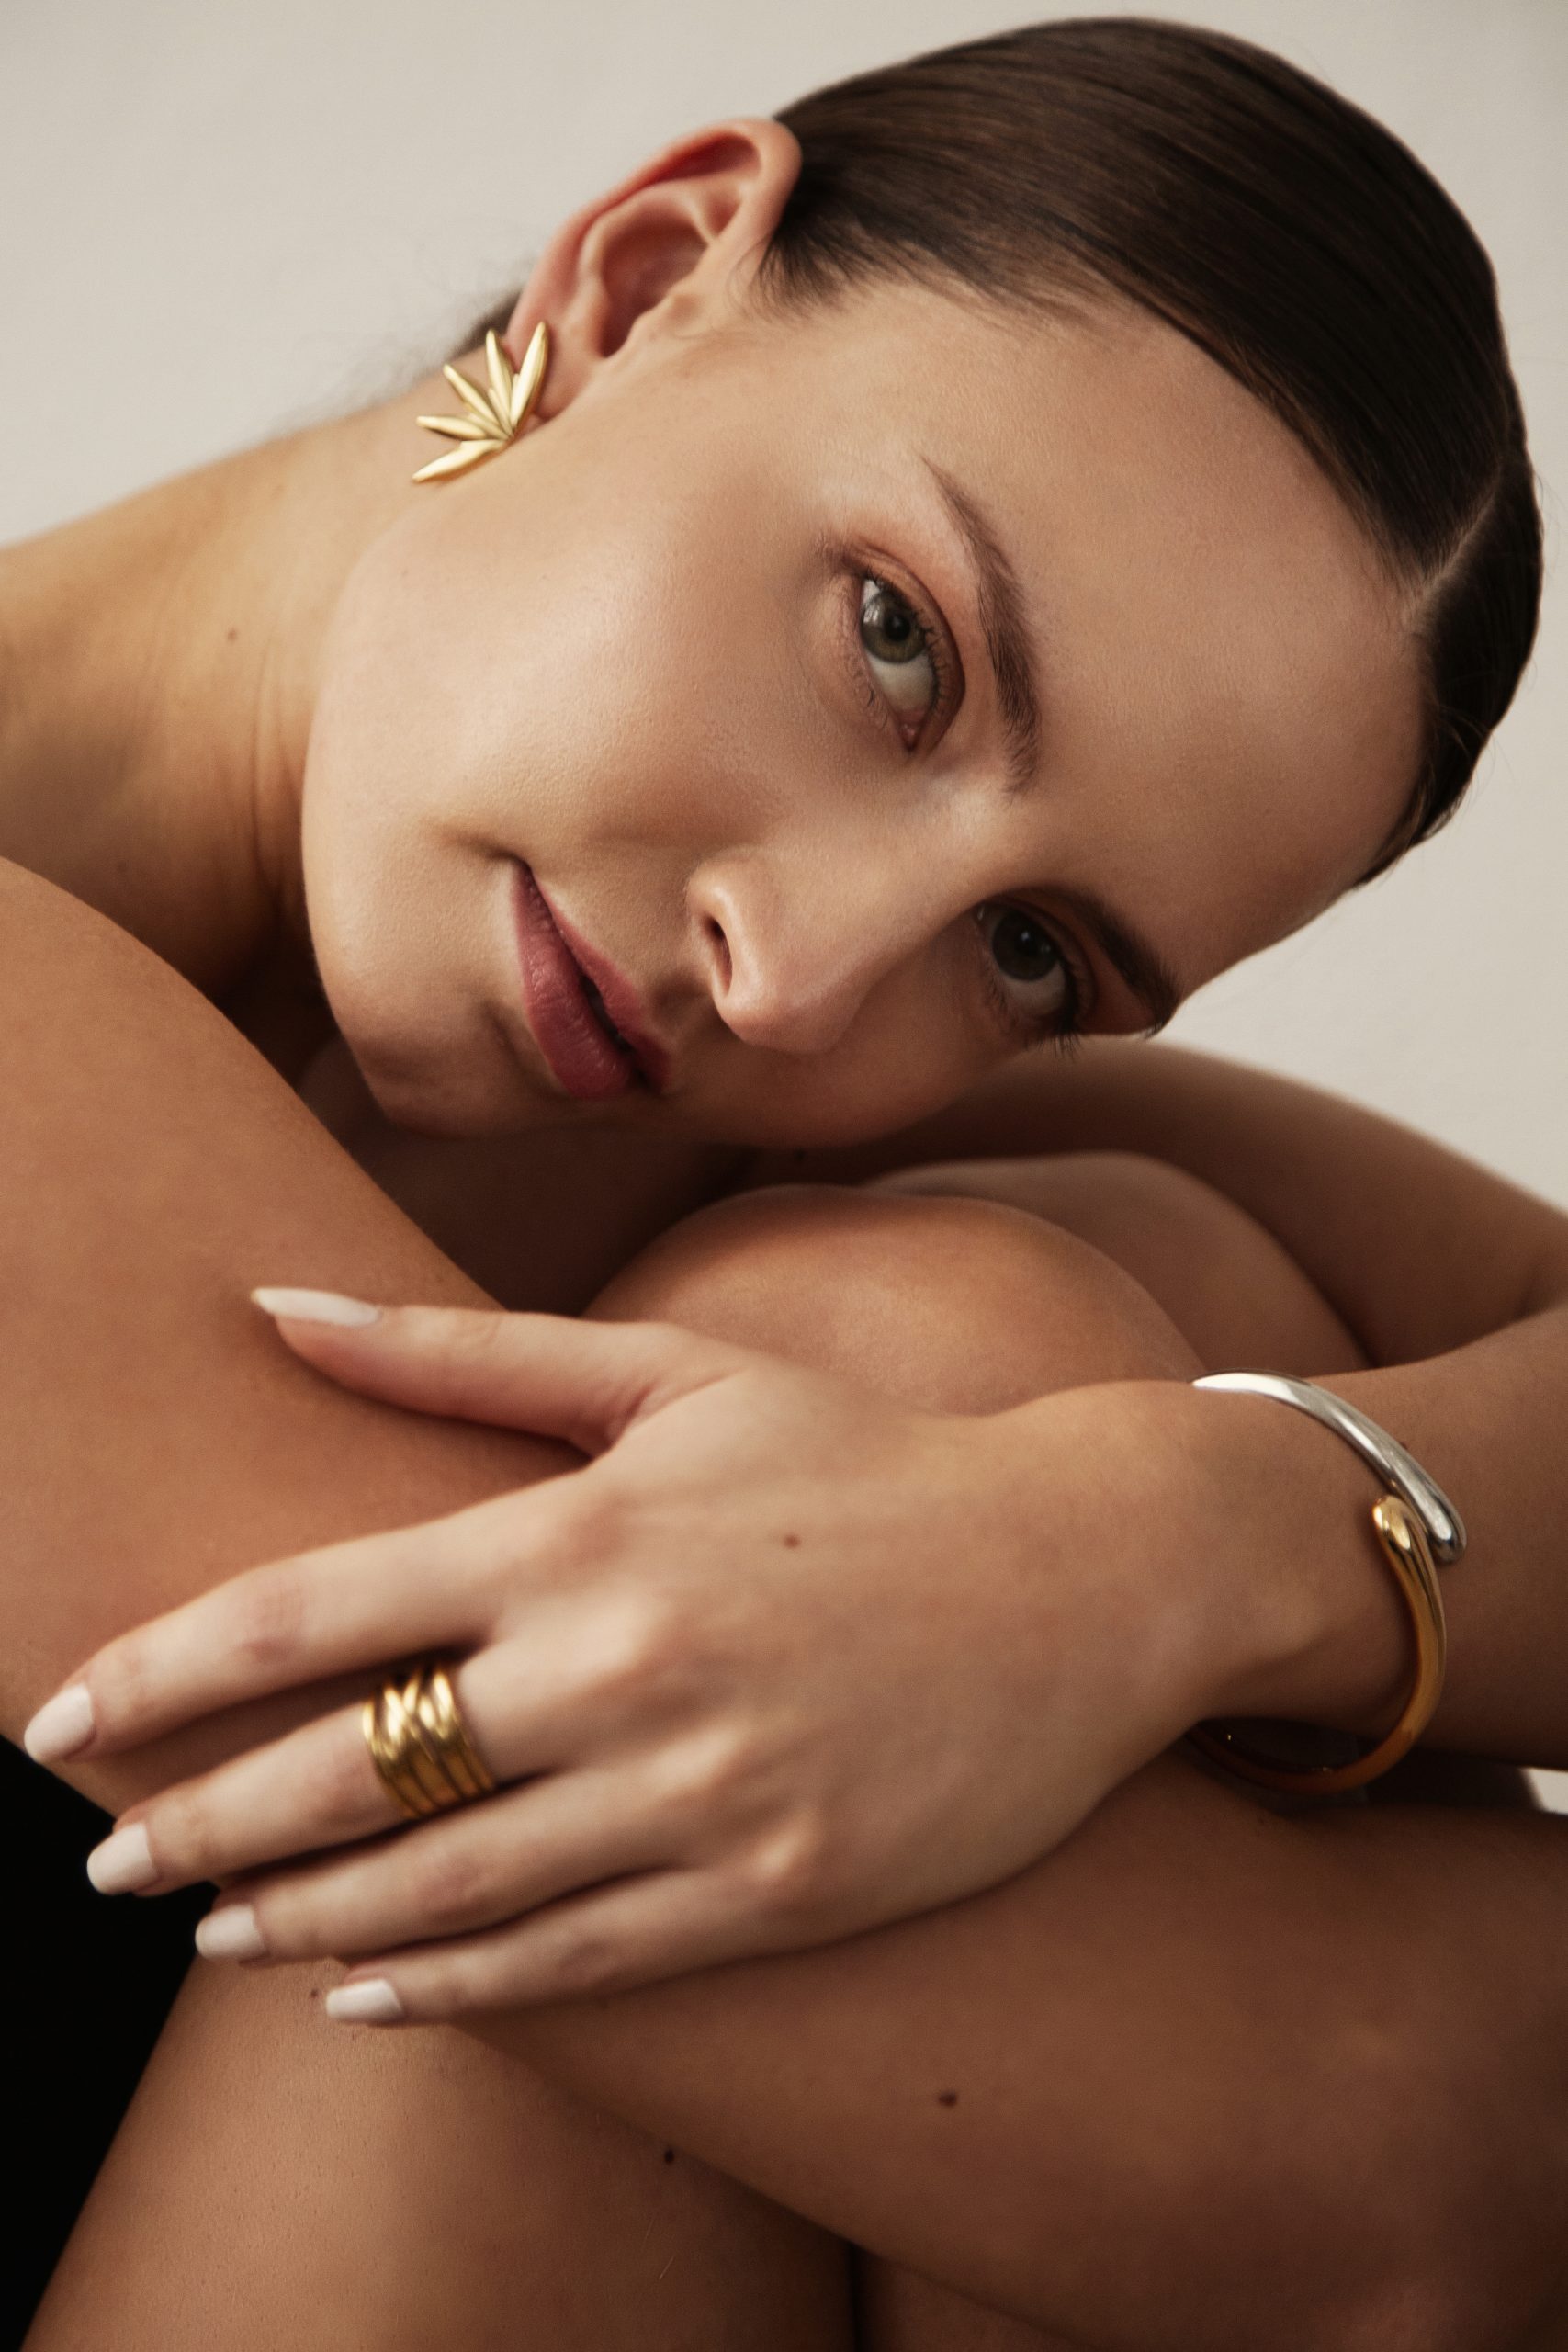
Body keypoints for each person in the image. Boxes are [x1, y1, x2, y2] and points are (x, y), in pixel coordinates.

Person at [5, 17, 1566, 2347]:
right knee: (940, 1339)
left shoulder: (681, 1089)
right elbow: (1394, 2180)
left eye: (1029, 950)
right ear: (640, 283)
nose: (805, 975)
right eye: (894, 641)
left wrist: (1178, 1540)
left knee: (1071, 1308)